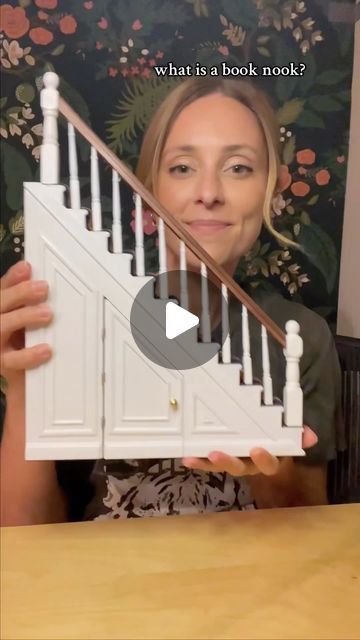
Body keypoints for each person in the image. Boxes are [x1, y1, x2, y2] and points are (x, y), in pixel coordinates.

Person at [0, 78, 345, 525]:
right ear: (148, 191)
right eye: (182, 167)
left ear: (272, 189)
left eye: (238, 167)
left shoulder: (300, 338)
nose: (208, 192)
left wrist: (270, 471)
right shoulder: (79, 316)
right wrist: (26, 389)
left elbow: (311, 524)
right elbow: (22, 538)